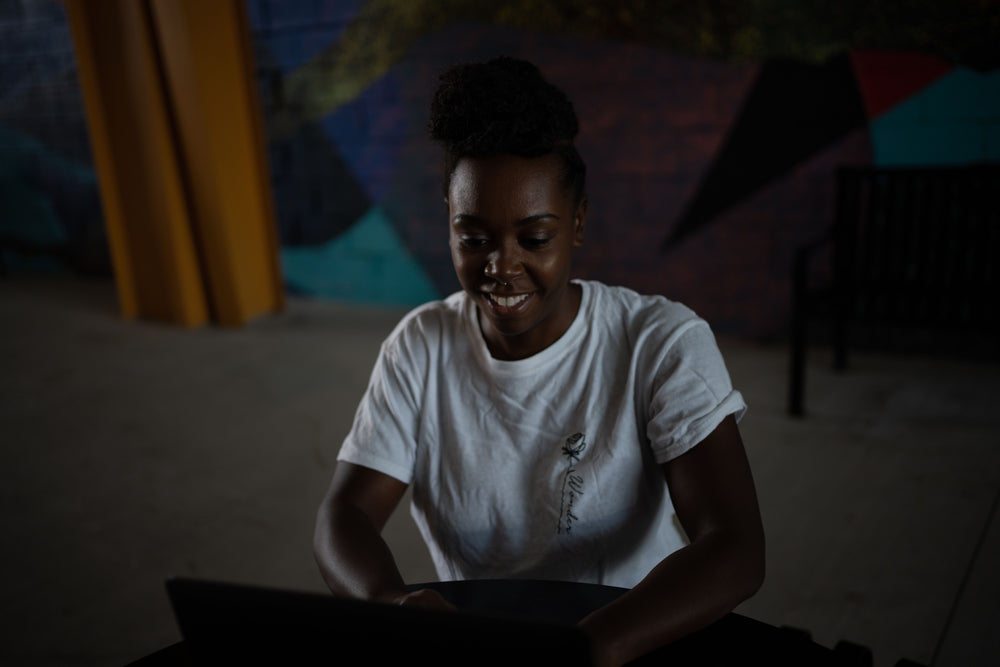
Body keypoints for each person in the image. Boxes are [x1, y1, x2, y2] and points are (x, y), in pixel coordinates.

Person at [313, 56, 765, 667]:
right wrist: (390, 603)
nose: (500, 267)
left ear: (576, 224)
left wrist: (586, 647)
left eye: (534, 238)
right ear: (448, 223)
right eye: (473, 239)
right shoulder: (420, 345)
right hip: (477, 645)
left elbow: (734, 546)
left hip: (630, 639)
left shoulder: (659, 342)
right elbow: (345, 514)